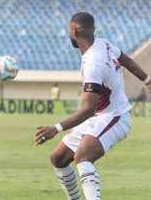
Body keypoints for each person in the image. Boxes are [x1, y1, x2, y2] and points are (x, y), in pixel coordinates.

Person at [35, 12, 151, 200]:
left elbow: (88, 108)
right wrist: (147, 80)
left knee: (82, 156)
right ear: (93, 30)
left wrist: (56, 128)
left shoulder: (93, 63)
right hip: (99, 117)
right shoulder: (103, 44)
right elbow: (126, 60)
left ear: (73, 31)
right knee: (58, 158)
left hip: (116, 117)